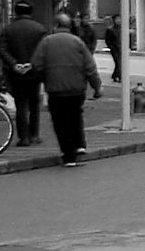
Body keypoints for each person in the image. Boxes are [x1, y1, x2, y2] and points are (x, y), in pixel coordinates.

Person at [30, 15, 101, 166]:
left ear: (56, 25)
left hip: (56, 89)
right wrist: (96, 87)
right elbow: (90, 67)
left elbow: (36, 64)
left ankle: (69, 155)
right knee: (75, 116)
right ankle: (79, 145)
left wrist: (44, 79)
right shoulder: (77, 42)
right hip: (77, 88)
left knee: (60, 122)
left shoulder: (46, 42)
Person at [0, 2, 48, 146]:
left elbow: (1, 49)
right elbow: (44, 49)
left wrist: (14, 64)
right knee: (34, 104)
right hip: (34, 72)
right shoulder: (39, 29)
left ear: (16, 12)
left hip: (15, 73)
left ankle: (23, 137)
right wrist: (31, 64)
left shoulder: (8, 29)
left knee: (21, 104)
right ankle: (34, 135)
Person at [104, 11, 124, 82]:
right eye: (117, 19)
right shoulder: (110, 29)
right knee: (118, 63)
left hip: (121, 48)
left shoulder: (122, 29)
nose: (118, 20)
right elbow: (107, 40)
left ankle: (115, 75)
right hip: (115, 49)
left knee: (121, 63)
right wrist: (111, 47)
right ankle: (120, 77)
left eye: (119, 19)